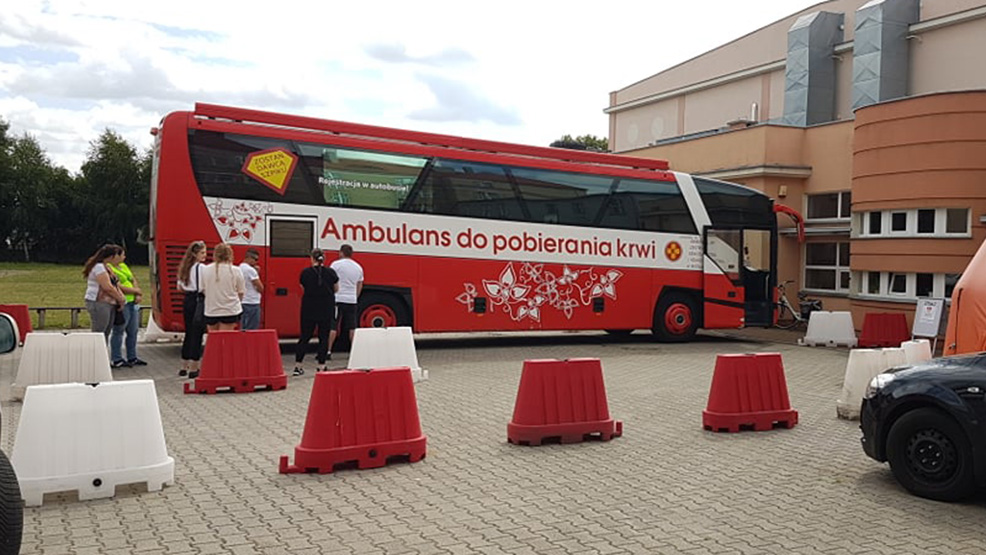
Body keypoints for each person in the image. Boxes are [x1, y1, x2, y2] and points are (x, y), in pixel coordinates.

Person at [294, 248, 338, 376]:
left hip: (309, 308)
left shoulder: (305, 273)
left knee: (305, 336)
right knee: (323, 337)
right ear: (324, 259)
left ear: (311, 258)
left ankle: (298, 366)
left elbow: (303, 288)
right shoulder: (331, 273)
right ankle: (321, 366)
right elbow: (336, 289)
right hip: (326, 307)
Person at [108, 247, 147, 368]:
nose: (124, 257)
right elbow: (118, 285)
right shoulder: (109, 268)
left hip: (132, 302)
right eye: (122, 255)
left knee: (133, 331)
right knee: (119, 330)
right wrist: (136, 291)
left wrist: (137, 293)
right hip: (122, 302)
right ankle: (117, 358)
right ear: (115, 256)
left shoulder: (123, 266)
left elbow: (132, 279)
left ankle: (132, 357)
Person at [83, 244, 128, 341]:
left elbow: (114, 284)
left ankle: (103, 352)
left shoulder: (107, 267)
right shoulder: (99, 267)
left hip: (109, 302)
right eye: (118, 255)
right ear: (111, 256)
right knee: (99, 332)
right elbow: (107, 287)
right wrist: (120, 299)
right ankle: (95, 352)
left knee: (106, 331)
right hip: (99, 302)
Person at [177, 241, 208, 377]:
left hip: (188, 300)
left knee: (189, 333)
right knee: (197, 333)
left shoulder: (185, 268)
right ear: (195, 254)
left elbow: (180, 287)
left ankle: (184, 366)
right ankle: (194, 368)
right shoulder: (201, 268)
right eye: (202, 252)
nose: (205, 255)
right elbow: (204, 286)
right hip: (198, 300)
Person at [201, 243, 245, 334]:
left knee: (213, 339)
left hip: (211, 310)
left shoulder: (205, 270)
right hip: (230, 310)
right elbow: (241, 292)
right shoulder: (236, 270)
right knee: (225, 339)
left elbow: (203, 289)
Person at [329, 244, 364, 354]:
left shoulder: (335, 265)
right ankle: (354, 352)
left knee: (333, 326)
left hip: (337, 299)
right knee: (352, 327)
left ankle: (328, 351)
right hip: (352, 300)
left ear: (341, 252)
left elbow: (330, 280)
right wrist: (355, 296)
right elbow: (359, 285)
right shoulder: (358, 267)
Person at [239, 248, 263, 330]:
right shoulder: (251, 270)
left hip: (242, 301)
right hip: (252, 302)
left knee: (243, 327)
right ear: (249, 258)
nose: (256, 262)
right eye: (255, 259)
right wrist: (257, 274)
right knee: (252, 328)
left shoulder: (239, 268)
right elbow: (260, 288)